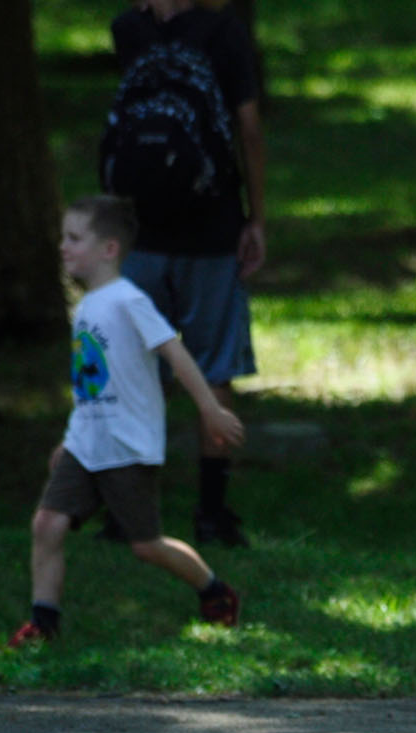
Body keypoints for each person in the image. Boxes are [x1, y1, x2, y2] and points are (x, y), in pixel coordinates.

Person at [8, 195, 246, 648]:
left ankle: (215, 591)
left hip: (127, 445)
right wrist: (71, 437)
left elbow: (174, 352)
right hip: (87, 442)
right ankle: (43, 626)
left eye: (74, 238)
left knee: (145, 544)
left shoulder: (128, 300)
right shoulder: (86, 307)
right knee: (47, 523)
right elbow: (90, 382)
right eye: (64, 237)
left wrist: (210, 410)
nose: (63, 247)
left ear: (109, 249)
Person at [108, 0, 267, 547]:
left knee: (132, 365)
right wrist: (256, 218)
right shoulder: (224, 30)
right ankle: (212, 511)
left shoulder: (128, 30)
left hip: (140, 230)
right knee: (213, 366)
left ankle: (123, 510)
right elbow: (248, 129)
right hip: (210, 229)